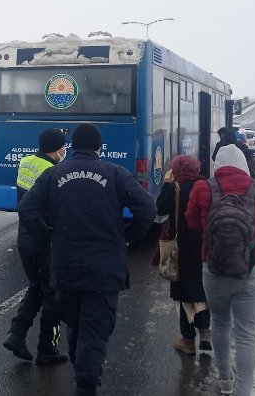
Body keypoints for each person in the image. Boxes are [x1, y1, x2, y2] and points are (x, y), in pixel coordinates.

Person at [18, 124, 156, 395]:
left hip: (66, 268)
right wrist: (126, 237)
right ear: (99, 147)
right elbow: (147, 209)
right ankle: (86, 384)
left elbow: (27, 209)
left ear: (72, 146)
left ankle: (83, 373)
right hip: (104, 270)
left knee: (76, 326)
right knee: (95, 330)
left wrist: (49, 236)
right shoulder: (114, 173)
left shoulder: (54, 174)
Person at [186, 144, 255, 395]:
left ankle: (224, 381)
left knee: (220, 324)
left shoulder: (203, 188)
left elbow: (192, 221)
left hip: (213, 269)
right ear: (243, 165)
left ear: (218, 166)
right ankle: (242, 390)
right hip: (251, 272)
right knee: (246, 336)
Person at [3, 128, 69, 364]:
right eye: (63, 146)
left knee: (36, 287)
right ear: (57, 148)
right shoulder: (52, 172)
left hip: (25, 238)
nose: (65, 149)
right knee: (52, 295)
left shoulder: (27, 162)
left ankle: (16, 335)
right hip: (44, 241)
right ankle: (47, 348)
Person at [156, 155, 211, 356]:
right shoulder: (206, 185)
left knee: (183, 291)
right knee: (200, 287)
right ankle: (205, 330)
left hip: (181, 246)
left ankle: (188, 340)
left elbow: (159, 208)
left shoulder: (176, 187)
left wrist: (167, 185)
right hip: (204, 245)